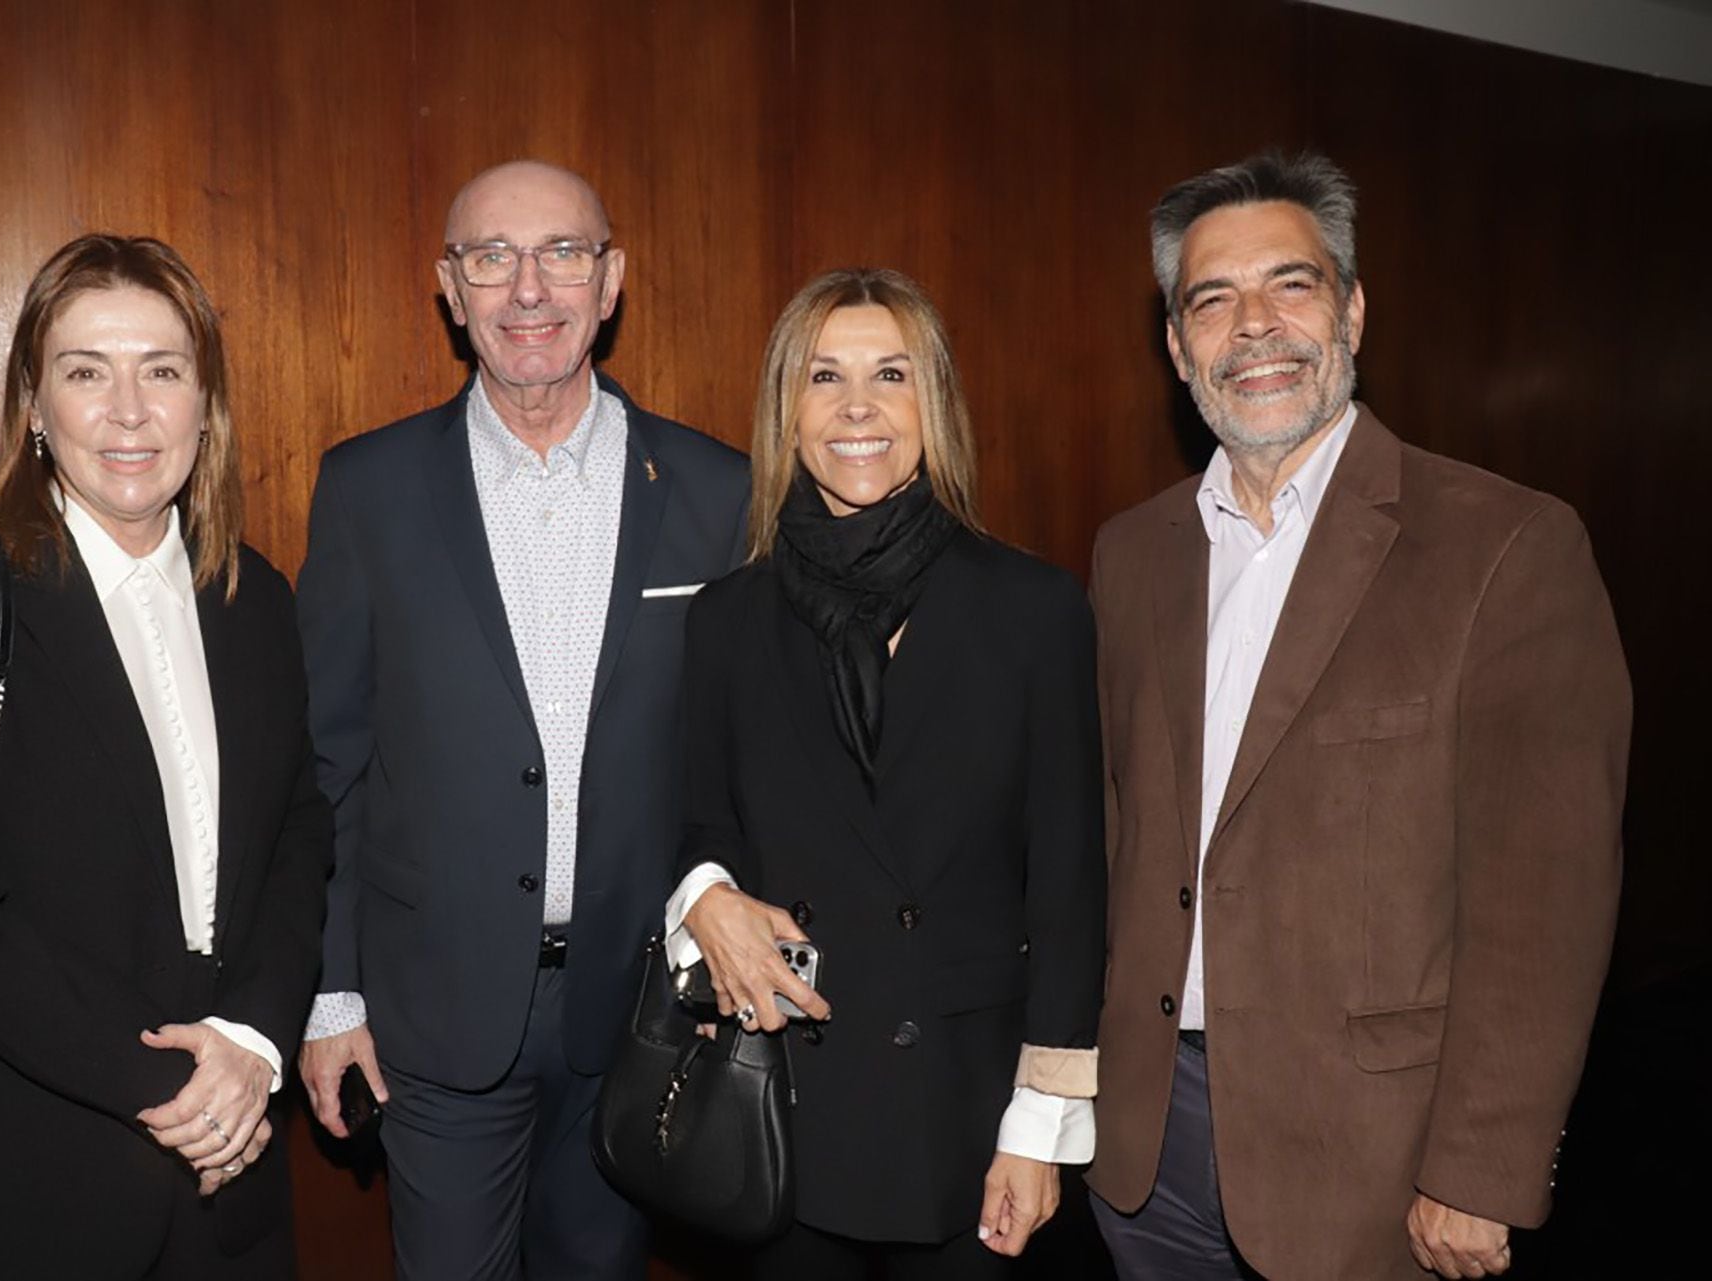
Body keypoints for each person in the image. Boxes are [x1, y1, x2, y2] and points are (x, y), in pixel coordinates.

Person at [1084, 152, 1631, 1281]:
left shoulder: (1505, 546)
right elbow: (1113, 831)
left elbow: (1547, 897)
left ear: (1353, 308)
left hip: (1373, 1161)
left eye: (1291, 284)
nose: (1255, 328)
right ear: (1178, 345)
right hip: (1150, 1147)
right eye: (1212, 301)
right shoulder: (1130, 555)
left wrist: (1479, 1167)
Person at [294, 159, 749, 1280]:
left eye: (564, 254)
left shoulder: (714, 489)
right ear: (451, 289)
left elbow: (739, 756)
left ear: (612, 281)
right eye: (491, 258)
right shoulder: (368, 488)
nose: (528, 289)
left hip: (639, 1013)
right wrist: (332, 991)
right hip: (433, 1013)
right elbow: (329, 763)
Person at [0, 235, 332, 1279]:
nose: (127, 410)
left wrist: (251, 1042)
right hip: (16, 1161)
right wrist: (169, 1087)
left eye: (162, 371)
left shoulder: (257, 600)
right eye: (84, 372)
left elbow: (300, 831)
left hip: (226, 1167)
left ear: (206, 406)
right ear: (33, 402)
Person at [671, 268, 1106, 1277]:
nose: (857, 407)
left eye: (890, 375)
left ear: (933, 403)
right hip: (783, 1112)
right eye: (825, 377)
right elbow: (701, 828)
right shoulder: (728, 618)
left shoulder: (1035, 611)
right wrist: (706, 898)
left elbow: (1073, 889)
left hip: (967, 1115)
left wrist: (1040, 1129)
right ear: (789, 409)